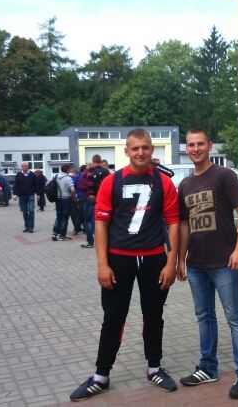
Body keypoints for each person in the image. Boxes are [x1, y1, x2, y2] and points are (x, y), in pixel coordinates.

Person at [69, 128, 180, 402]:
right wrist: (102, 264)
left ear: (152, 149)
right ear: (126, 151)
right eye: (135, 148)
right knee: (113, 317)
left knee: (153, 315)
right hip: (119, 258)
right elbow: (101, 224)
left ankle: (154, 367)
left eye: (145, 147)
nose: (141, 152)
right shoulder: (112, 181)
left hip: (154, 258)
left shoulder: (164, 183)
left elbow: (174, 223)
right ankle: (101, 376)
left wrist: (171, 261)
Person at [176, 128, 238, 400]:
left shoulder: (224, 175)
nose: (195, 148)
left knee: (235, 318)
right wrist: (181, 259)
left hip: (224, 262)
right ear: (186, 148)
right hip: (196, 264)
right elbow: (184, 225)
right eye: (191, 144)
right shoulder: (185, 185)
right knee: (204, 317)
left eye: (200, 143)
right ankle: (208, 367)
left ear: (209, 146)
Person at [80, 154, 110, 249]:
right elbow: (110, 185)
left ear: (93, 161)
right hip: (104, 198)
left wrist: (91, 194)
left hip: (92, 198)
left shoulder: (90, 171)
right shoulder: (106, 172)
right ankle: (103, 241)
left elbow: (89, 184)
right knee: (102, 220)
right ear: (100, 161)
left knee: (89, 220)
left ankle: (90, 241)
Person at [52, 164, 75, 241]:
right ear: (67, 169)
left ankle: (54, 233)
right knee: (65, 218)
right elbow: (72, 190)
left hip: (57, 199)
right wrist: (74, 198)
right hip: (66, 199)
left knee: (59, 216)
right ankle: (62, 235)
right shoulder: (68, 178)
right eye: (69, 169)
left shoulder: (56, 176)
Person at [13, 162, 37, 233]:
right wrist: (15, 194)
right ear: (21, 167)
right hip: (22, 196)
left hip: (30, 195)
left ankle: (31, 227)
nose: (24, 167)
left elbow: (36, 185)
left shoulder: (32, 174)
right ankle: (27, 226)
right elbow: (16, 185)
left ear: (28, 167)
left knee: (31, 210)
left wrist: (38, 194)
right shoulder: (18, 175)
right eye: (23, 166)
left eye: (25, 166)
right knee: (25, 211)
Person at [70, 166, 84, 235]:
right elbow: (73, 188)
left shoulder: (76, 177)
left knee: (76, 214)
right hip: (81, 197)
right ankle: (78, 228)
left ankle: (77, 228)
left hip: (78, 198)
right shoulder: (78, 177)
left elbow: (73, 188)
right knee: (80, 214)